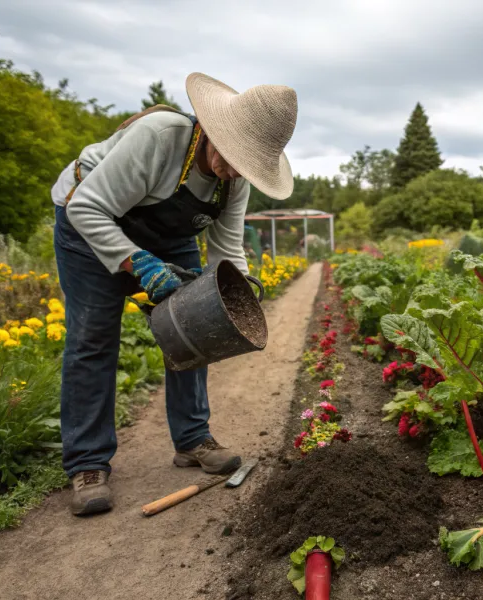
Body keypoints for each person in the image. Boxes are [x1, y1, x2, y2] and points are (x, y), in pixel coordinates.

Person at [50, 72, 298, 515]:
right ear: (212, 131)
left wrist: (235, 295)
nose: (238, 170)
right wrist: (138, 263)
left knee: (195, 327)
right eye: (235, 156)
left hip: (166, 235)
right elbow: (87, 206)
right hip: (88, 220)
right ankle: (88, 463)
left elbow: (226, 250)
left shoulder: (233, 180)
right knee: (93, 339)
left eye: (249, 165)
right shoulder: (160, 137)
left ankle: (192, 439)